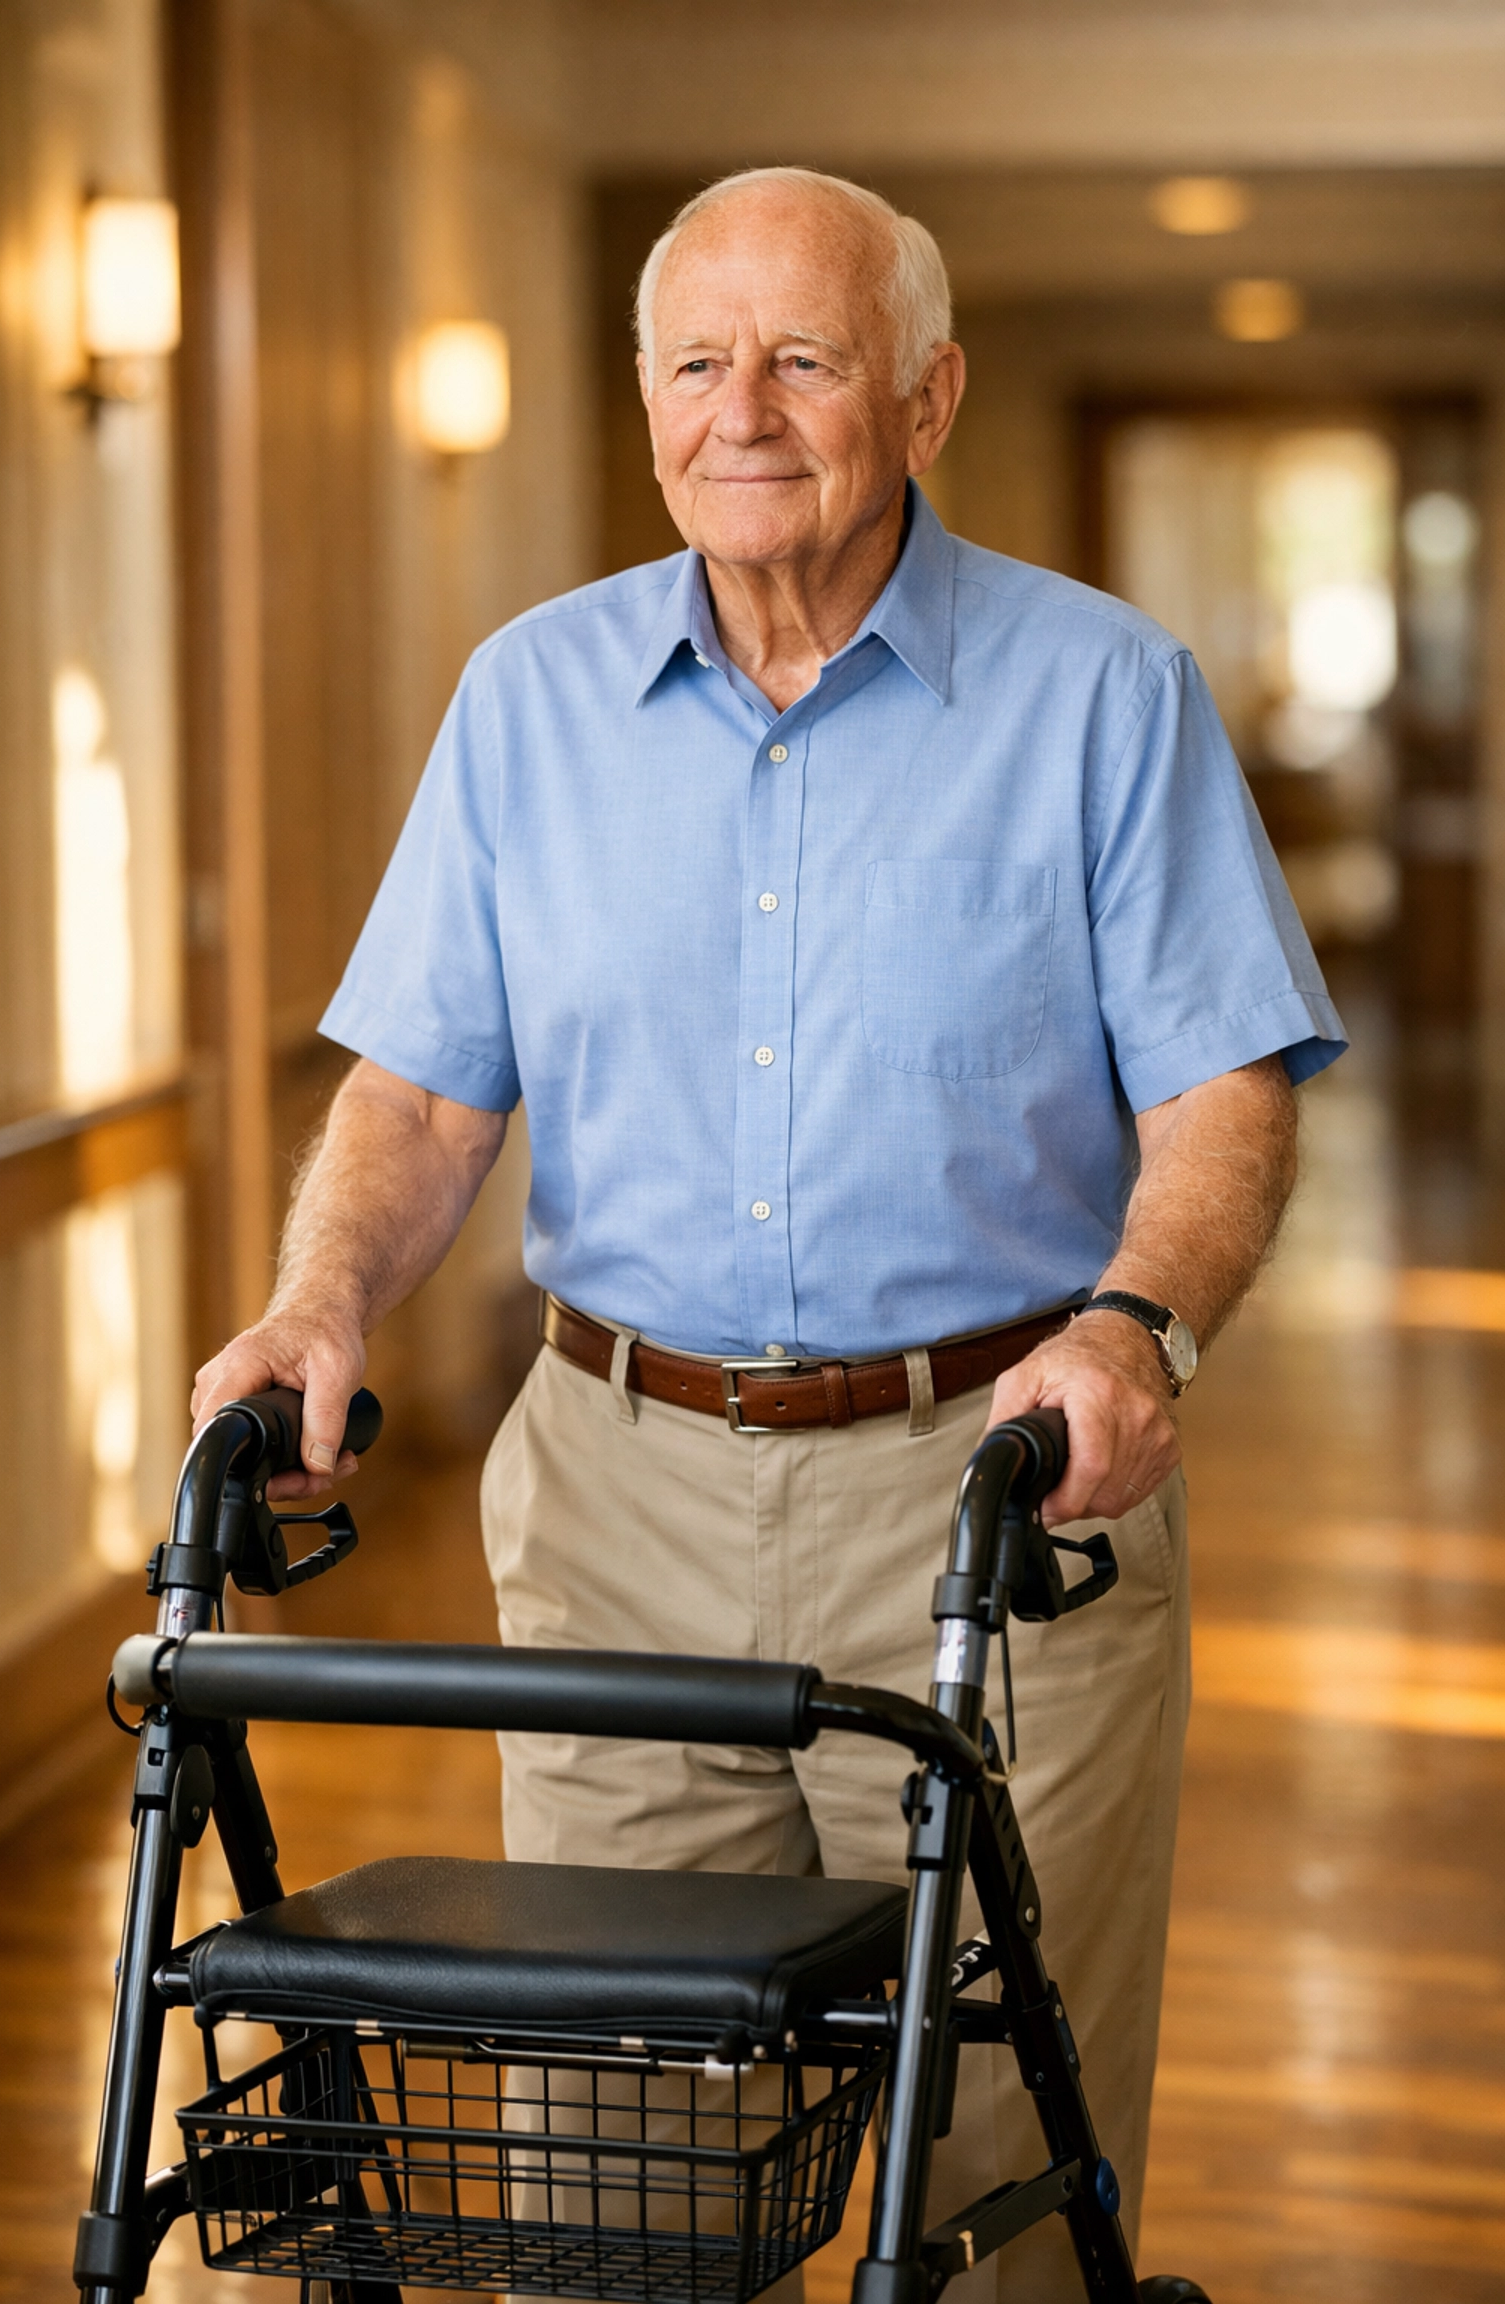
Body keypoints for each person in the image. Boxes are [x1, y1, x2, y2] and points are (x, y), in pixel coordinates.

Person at [194, 168, 1344, 2299]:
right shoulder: (528, 703)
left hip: (996, 1482)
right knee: (620, 2160)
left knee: (991, 2147)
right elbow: (428, 1090)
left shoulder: (1103, 694)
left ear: (927, 393)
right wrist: (318, 1299)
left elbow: (1222, 1094)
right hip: (618, 1488)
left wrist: (1131, 1327)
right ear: (644, 404)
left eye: (806, 358)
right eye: (699, 361)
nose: (749, 410)